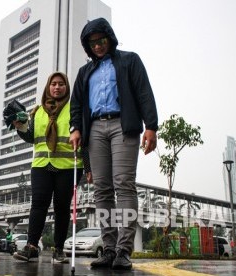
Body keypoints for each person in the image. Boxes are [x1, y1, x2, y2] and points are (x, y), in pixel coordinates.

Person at [69, 18, 158, 270]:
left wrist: (151, 125)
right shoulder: (85, 72)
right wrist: (75, 128)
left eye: (101, 40)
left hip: (123, 125)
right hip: (95, 129)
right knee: (102, 189)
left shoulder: (130, 60)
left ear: (110, 37)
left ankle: (123, 250)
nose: (97, 46)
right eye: (92, 42)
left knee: (123, 184)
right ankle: (108, 248)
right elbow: (76, 104)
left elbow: (144, 92)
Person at [11, 72, 88, 263]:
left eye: (61, 84)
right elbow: (32, 137)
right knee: (38, 204)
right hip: (41, 165)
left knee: (62, 208)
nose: (57, 87)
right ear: (48, 87)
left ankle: (59, 250)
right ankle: (31, 246)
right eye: (53, 84)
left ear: (66, 88)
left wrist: (88, 167)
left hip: (68, 166)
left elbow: (84, 139)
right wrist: (20, 127)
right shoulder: (37, 111)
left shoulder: (74, 109)